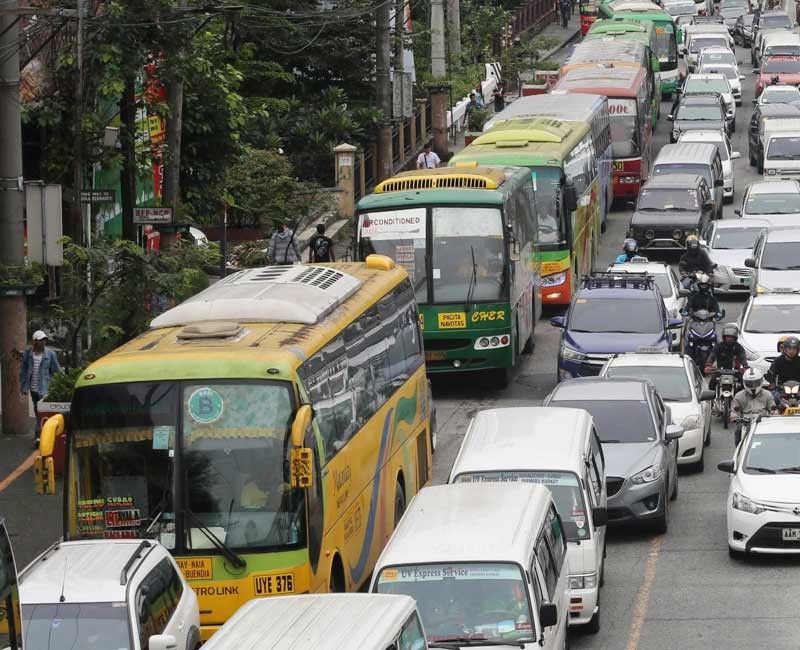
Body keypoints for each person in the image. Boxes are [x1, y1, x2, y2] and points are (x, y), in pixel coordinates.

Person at [19, 330, 61, 447]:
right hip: (33, 389)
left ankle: (39, 437)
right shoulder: (28, 354)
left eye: (44, 339)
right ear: (35, 341)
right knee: (38, 413)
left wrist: (61, 384)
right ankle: (40, 436)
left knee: (43, 413)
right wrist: (23, 387)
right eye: (41, 340)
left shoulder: (50, 354)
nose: (44, 341)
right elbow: (23, 370)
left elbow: (56, 371)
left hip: (45, 390)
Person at [731, 368, 776, 444]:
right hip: (745, 422)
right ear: (744, 382)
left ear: (761, 381)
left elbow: (773, 408)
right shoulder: (739, 396)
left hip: (763, 421)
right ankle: (739, 450)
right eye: (750, 383)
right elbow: (734, 410)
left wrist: (774, 413)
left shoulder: (767, 394)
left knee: (774, 434)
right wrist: (734, 415)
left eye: (756, 383)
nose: (753, 386)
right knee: (738, 430)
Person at [706, 323, 748, 393]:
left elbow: (742, 356)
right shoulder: (719, 346)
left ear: (735, 338)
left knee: (744, 383)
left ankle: (740, 399)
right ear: (724, 337)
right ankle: (712, 401)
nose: (729, 339)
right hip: (720, 371)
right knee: (712, 383)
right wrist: (708, 365)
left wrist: (745, 366)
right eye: (728, 337)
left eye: (731, 337)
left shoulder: (738, 347)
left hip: (735, 371)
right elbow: (712, 355)